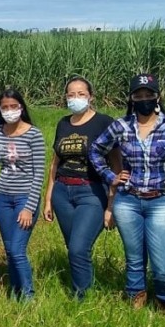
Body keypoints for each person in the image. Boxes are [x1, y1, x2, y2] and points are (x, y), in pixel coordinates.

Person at [90, 73, 165, 311]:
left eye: (149, 95)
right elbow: (95, 150)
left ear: (157, 97)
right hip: (128, 201)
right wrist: (110, 177)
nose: (144, 99)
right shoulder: (121, 125)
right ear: (132, 98)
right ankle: (136, 299)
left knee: (163, 265)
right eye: (139, 95)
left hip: (161, 201)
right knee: (134, 259)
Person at [42, 76, 115, 299]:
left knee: (78, 248)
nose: (76, 98)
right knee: (73, 246)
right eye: (71, 94)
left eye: (81, 94)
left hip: (91, 192)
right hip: (63, 192)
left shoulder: (104, 122)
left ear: (91, 97)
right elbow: (55, 163)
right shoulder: (63, 124)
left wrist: (112, 204)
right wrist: (48, 199)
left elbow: (116, 163)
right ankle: (84, 285)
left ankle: (81, 298)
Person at [0, 89, 45, 301]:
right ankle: (14, 292)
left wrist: (29, 207)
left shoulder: (34, 134)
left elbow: (39, 173)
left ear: (21, 107)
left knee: (16, 249)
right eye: (5, 107)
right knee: (9, 249)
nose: (9, 111)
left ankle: (28, 295)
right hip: (3, 195)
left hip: (24, 197)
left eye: (14, 106)